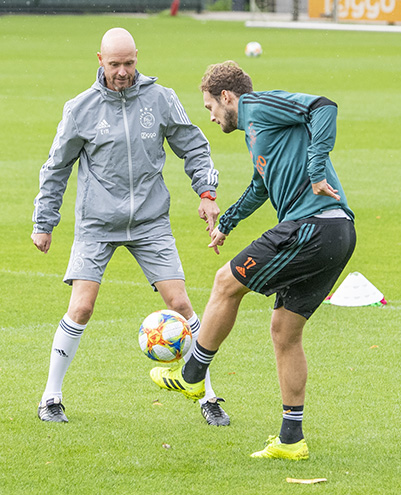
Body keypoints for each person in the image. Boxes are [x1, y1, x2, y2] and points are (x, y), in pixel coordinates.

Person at [150, 61, 356, 460]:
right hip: (336, 234)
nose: (210, 117)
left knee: (226, 283)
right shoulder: (258, 133)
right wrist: (227, 222)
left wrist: (316, 169)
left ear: (228, 97)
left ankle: (193, 375)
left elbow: (323, 106)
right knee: (284, 331)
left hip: (314, 226)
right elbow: (261, 185)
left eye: (210, 107)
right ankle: (291, 440)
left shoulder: (259, 106)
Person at [32, 28, 230, 426]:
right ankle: (50, 397)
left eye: (129, 63)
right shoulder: (80, 108)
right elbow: (56, 168)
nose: (122, 72)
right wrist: (44, 221)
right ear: (100, 60)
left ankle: (207, 396)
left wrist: (207, 192)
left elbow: (193, 145)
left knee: (180, 304)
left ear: (137, 58)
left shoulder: (160, 99)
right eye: (114, 64)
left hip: (150, 221)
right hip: (96, 223)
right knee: (82, 306)